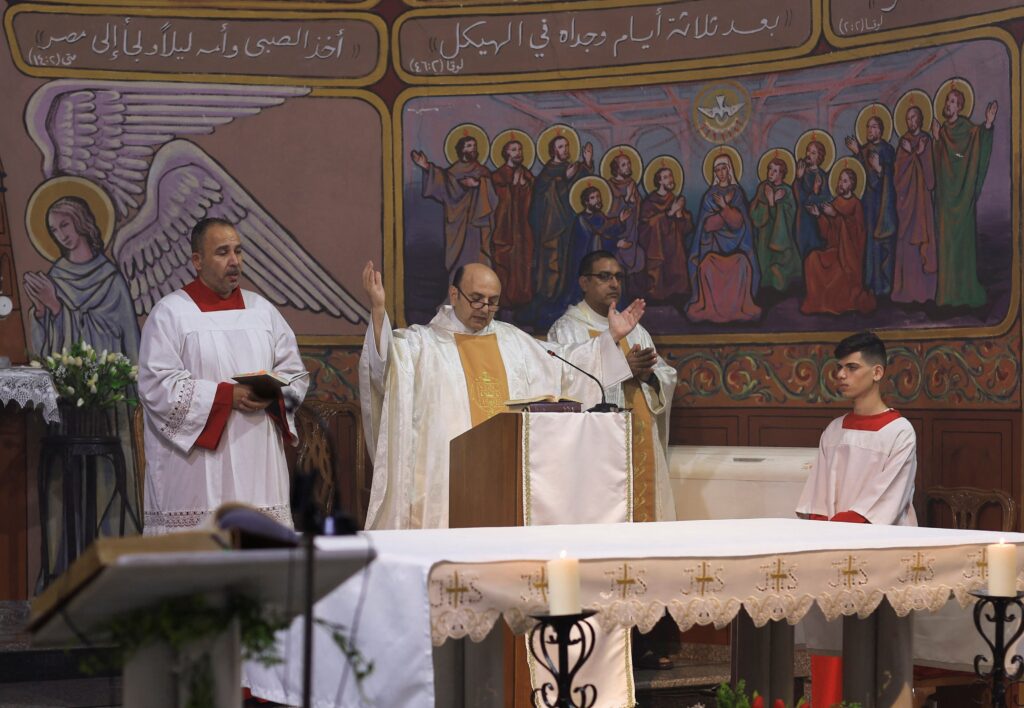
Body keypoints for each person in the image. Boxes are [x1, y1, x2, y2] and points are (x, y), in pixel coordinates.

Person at [358, 260, 644, 530]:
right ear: (454, 294)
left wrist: (610, 339)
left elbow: (564, 367)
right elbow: (383, 368)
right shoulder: (421, 344)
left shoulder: (513, 341)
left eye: (492, 301)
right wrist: (379, 311)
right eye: (476, 299)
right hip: (446, 475)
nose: (484, 308)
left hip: (504, 469)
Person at [138, 218, 307, 535]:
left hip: (257, 458)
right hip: (197, 468)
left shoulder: (263, 312)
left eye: (238, 251)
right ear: (197, 261)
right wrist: (227, 396)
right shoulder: (170, 314)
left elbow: (294, 373)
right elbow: (157, 386)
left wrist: (271, 393)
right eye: (222, 252)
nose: (234, 261)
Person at [796, 331, 917, 708]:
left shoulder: (899, 431)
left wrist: (840, 532)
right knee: (832, 646)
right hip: (834, 551)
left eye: (852, 367)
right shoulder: (834, 430)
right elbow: (817, 493)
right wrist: (822, 538)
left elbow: (885, 498)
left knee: (881, 651)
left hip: (879, 550)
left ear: (877, 372)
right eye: (839, 368)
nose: (841, 375)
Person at [24, 196, 140, 360]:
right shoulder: (56, 277)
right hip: (70, 375)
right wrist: (41, 311)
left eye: (64, 225)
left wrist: (56, 306)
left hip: (106, 374)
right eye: (54, 230)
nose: (61, 235)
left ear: (80, 221)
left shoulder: (110, 278)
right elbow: (46, 353)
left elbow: (127, 337)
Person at [931, 89, 997, 308]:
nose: (948, 104)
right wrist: (936, 139)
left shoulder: (968, 129)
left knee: (962, 245)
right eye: (947, 100)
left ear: (959, 107)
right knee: (946, 246)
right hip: (945, 199)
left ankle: (965, 292)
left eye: (953, 101)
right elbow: (939, 163)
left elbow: (976, 144)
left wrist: (988, 124)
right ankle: (947, 295)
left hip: (963, 196)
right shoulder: (942, 131)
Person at [687, 154, 761, 323]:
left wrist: (724, 208)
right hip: (713, 251)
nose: (720, 173)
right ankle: (713, 308)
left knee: (742, 264)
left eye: (723, 168)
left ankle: (735, 309)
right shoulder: (709, 196)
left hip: (738, 251)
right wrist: (726, 213)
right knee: (706, 266)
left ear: (729, 170)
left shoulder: (737, 194)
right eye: (717, 170)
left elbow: (739, 224)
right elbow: (707, 226)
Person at [411, 136, 498, 277]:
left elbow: (493, 196)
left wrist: (478, 184)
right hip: (457, 224)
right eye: (469, 146)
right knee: (459, 263)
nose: (473, 149)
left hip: (477, 226)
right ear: (461, 149)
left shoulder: (483, 171)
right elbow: (443, 184)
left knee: (479, 258)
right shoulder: (453, 172)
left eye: (474, 146)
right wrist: (426, 166)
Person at [800, 168, 876, 316]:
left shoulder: (856, 204)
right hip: (834, 250)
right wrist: (819, 216)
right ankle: (816, 301)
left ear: (852, 184)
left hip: (849, 257)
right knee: (812, 259)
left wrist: (836, 215)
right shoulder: (835, 202)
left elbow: (858, 233)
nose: (840, 183)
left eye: (845, 181)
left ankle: (831, 303)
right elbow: (828, 233)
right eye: (840, 179)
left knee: (837, 274)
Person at [530, 135, 593, 308]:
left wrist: (587, 162)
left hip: (570, 225)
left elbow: (584, 186)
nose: (565, 149)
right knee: (553, 262)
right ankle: (548, 296)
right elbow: (540, 195)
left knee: (569, 261)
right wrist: (563, 178)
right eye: (560, 146)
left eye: (566, 145)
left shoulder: (572, 168)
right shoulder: (547, 172)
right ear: (553, 150)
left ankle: (567, 294)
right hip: (553, 228)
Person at [846, 116, 898, 297]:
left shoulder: (887, 150)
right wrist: (858, 154)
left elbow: (884, 180)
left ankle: (882, 286)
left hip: (882, 205)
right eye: (868, 127)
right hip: (866, 205)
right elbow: (859, 175)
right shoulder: (864, 150)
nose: (869, 130)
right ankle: (868, 283)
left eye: (874, 127)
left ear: (881, 130)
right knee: (867, 243)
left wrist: (878, 168)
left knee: (880, 244)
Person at [892, 105, 937, 304]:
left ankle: (926, 294)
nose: (911, 122)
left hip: (922, 204)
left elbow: (931, 180)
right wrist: (911, 154)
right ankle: (906, 293)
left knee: (923, 245)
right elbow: (897, 178)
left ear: (920, 119)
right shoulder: (903, 143)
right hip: (907, 205)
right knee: (907, 248)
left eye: (914, 117)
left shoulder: (926, 140)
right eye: (908, 118)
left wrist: (919, 153)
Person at [490, 138, 535, 308]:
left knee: (523, 265)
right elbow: (497, 201)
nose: (518, 153)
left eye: (520, 149)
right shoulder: (498, 176)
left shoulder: (527, 175)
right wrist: (514, 187)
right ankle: (503, 302)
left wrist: (523, 187)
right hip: (505, 230)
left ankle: (522, 301)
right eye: (514, 149)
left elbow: (535, 200)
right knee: (505, 264)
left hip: (523, 230)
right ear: (506, 153)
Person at [638, 166, 692, 301]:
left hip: (674, 246)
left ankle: (678, 298)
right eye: (666, 177)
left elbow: (686, 228)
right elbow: (646, 226)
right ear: (659, 181)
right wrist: (670, 213)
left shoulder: (674, 199)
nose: (670, 179)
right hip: (657, 247)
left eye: (671, 176)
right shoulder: (649, 202)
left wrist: (679, 214)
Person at [750, 157, 800, 295]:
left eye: (775, 171)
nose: (771, 173)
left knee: (781, 267)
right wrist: (769, 202)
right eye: (770, 169)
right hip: (765, 235)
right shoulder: (763, 188)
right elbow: (754, 212)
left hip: (781, 238)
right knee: (764, 263)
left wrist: (773, 203)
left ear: (782, 174)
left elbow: (790, 215)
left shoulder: (787, 191)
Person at [793, 139, 832, 259]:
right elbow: (799, 199)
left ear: (819, 157)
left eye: (813, 152)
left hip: (816, 222)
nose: (808, 154)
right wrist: (799, 178)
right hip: (802, 220)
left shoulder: (823, 176)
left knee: (814, 252)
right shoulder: (801, 175)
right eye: (808, 151)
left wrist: (813, 196)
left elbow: (826, 199)